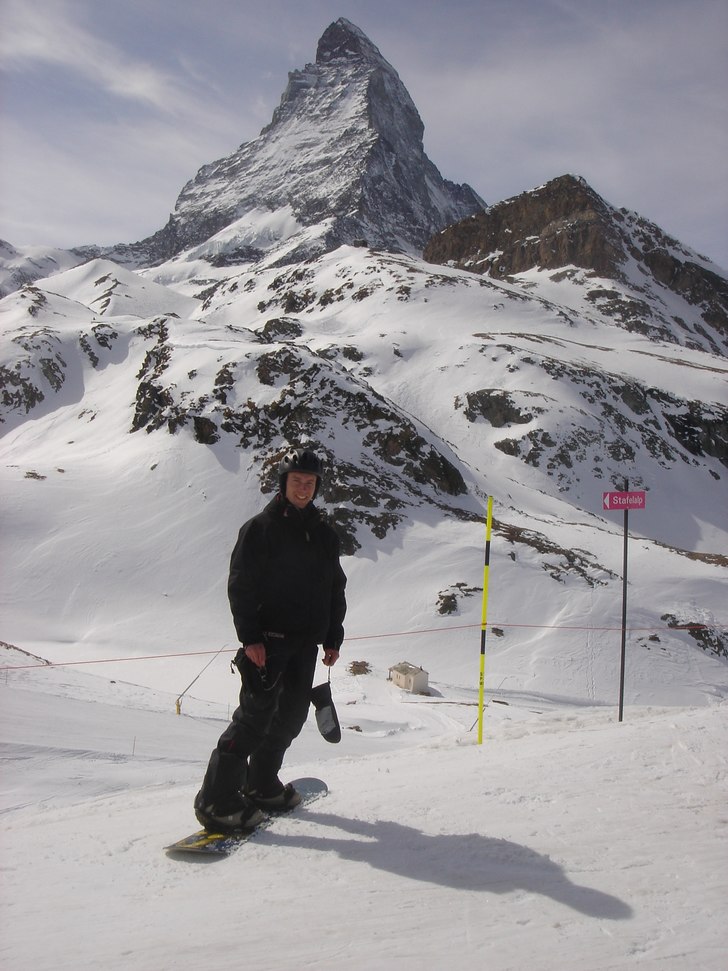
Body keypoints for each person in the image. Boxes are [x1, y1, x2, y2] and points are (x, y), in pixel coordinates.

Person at [194, 447, 347, 832]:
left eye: (310, 482)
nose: (303, 487)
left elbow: (335, 588)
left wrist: (332, 637)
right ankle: (215, 799)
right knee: (252, 720)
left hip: (305, 645)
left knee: (290, 719)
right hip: (268, 643)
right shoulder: (260, 529)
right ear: (284, 482)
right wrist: (250, 638)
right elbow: (241, 584)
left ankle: (261, 784)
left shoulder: (324, 534)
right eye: (297, 480)